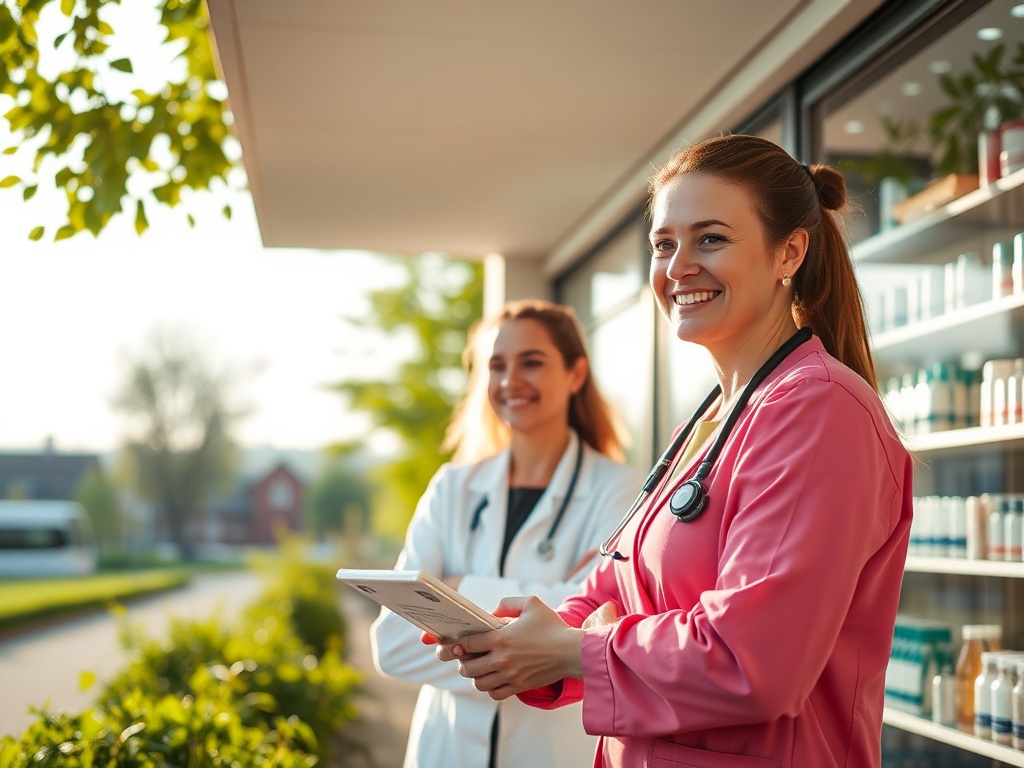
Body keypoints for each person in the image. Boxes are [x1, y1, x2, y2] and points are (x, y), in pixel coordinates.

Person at [433, 134, 914, 768]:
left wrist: (571, 651)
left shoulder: (818, 410)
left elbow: (754, 659)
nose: (678, 266)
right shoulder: (710, 422)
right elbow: (612, 593)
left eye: (710, 239)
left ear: (788, 252)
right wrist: (518, 639)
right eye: (664, 245)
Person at [370, 298, 643, 768]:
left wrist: (454, 593)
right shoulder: (453, 487)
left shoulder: (621, 491)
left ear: (576, 374)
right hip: (445, 753)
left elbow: (598, 630)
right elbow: (393, 641)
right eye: (496, 366)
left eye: (531, 362)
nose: (510, 381)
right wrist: (539, 645)